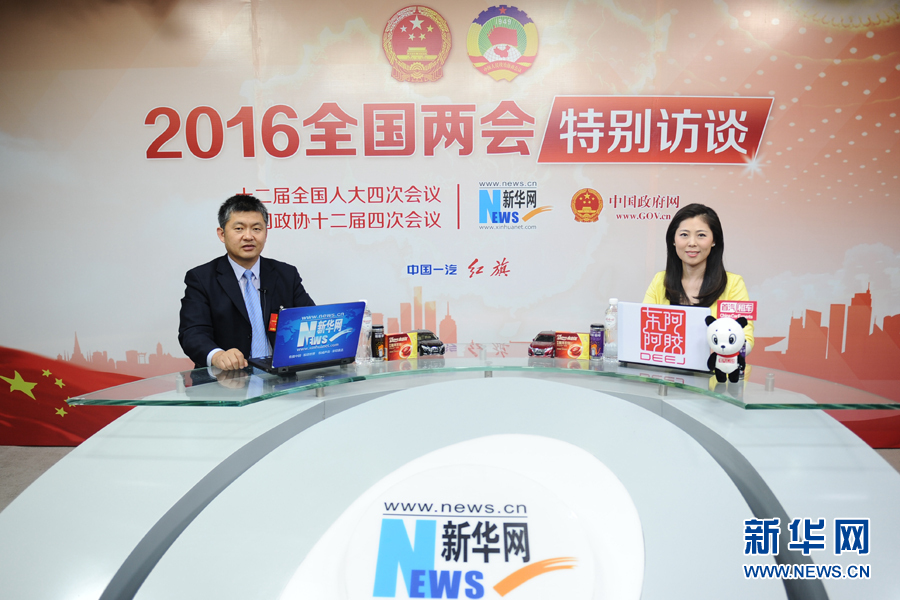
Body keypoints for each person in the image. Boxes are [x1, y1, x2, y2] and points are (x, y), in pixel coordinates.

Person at [179, 195, 315, 370]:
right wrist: (218, 355)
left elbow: (310, 321)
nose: (248, 236)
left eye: (256, 229)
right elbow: (192, 333)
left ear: (266, 233)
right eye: (239, 228)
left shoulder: (286, 274)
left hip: (281, 377)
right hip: (225, 379)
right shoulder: (201, 278)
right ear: (222, 234)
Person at [643, 203, 754, 350]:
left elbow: (745, 341)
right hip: (666, 364)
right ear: (673, 240)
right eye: (684, 235)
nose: (692, 243)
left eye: (701, 235)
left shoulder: (733, 284)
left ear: (714, 240)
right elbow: (643, 332)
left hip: (715, 365)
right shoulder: (660, 281)